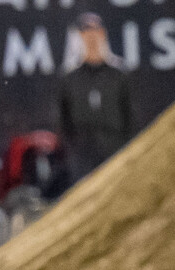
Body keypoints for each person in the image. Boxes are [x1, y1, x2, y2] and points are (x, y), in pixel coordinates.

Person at [57, 13, 136, 178]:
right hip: (82, 153)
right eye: (85, 34)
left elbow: (130, 114)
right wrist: (73, 148)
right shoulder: (69, 78)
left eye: (95, 32)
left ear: (103, 35)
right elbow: (62, 118)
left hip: (115, 147)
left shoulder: (118, 74)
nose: (91, 39)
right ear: (78, 38)